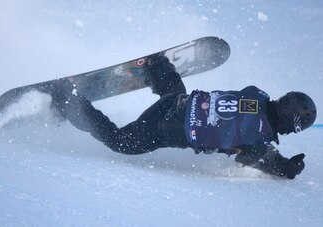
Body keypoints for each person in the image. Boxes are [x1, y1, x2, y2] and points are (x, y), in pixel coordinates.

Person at [50, 55, 317, 179]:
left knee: (174, 94)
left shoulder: (257, 94)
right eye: (296, 128)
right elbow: (253, 157)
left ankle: (160, 68)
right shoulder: (259, 140)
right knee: (122, 142)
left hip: (179, 102)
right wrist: (285, 169)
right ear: (289, 122)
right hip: (166, 128)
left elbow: (245, 116)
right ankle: (67, 100)